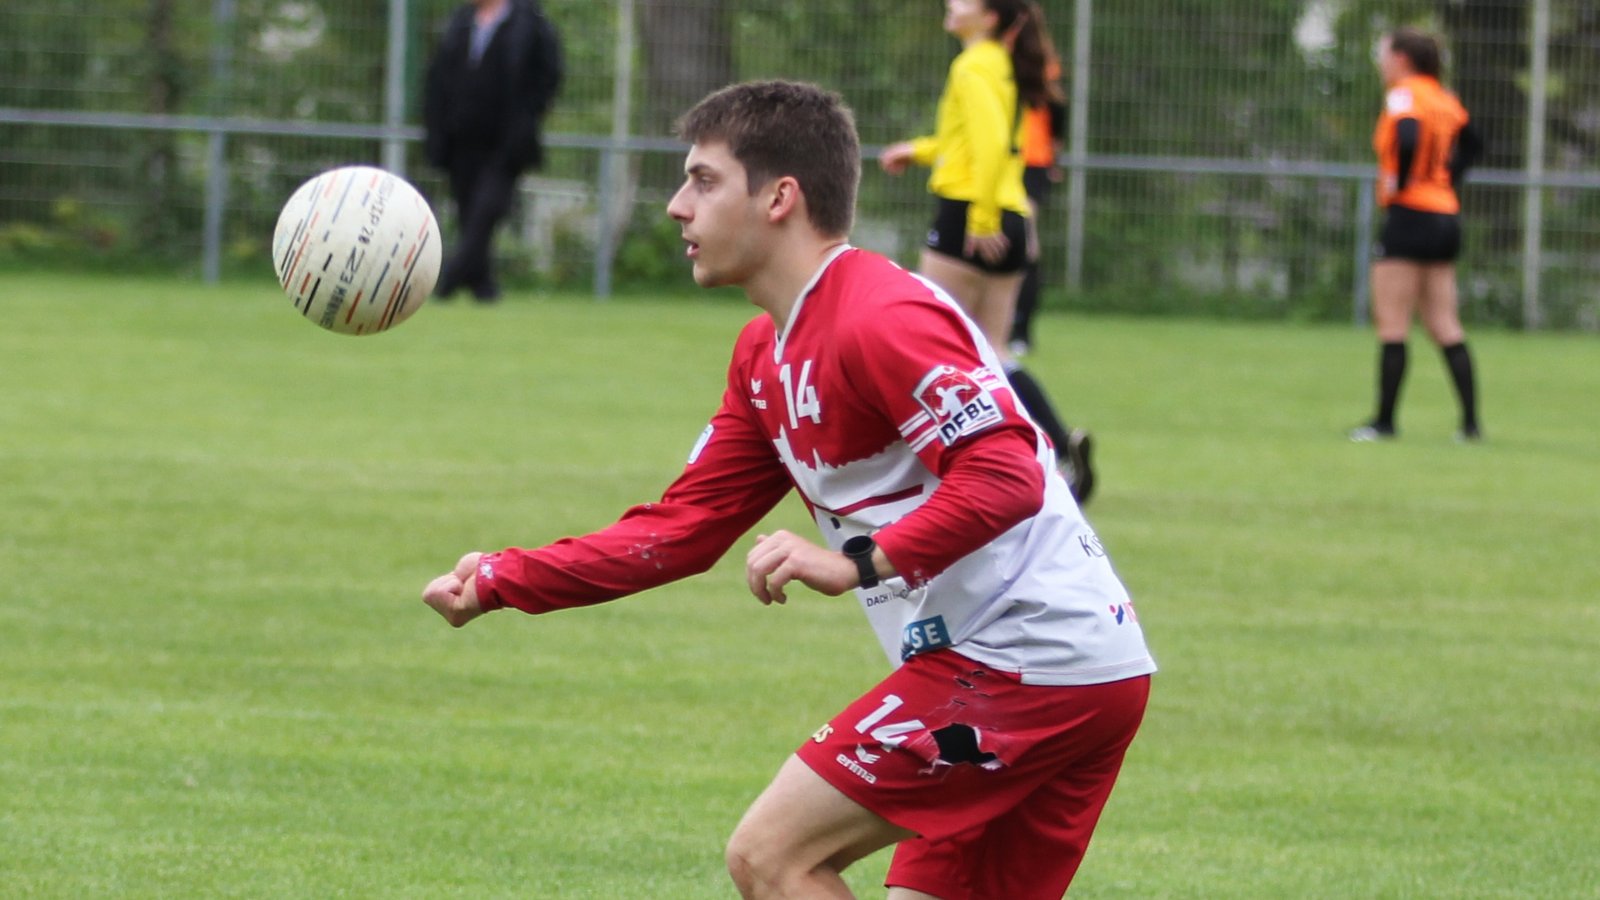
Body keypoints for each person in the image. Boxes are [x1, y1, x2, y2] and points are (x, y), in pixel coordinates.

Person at [421, 80, 1155, 900]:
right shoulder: (764, 355)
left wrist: (861, 562)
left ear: (780, 198)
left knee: (773, 856)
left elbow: (1010, 470)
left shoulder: (881, 314)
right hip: (1062, 667)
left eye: (702, 181)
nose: (676, 207)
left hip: (1027, 659)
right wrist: (501, 579)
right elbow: (684, 528)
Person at [880, 0, 1095, 505]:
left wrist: (979, 219)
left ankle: (930, 464)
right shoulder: (1000, 62)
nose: (950, 4)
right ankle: (1058, 446)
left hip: (971, 217)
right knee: (991, 355)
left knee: (918, 341)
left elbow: (992, 143)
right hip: (1012, 216)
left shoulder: (974, 63)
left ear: (990, 15)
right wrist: (919, 150)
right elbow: (973, 142)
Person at [1350, 26, 1484, 442]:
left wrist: (1403, 183)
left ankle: (1384, 422)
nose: (1381, 62)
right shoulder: (1445, 98)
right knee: (1445, 324)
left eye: (1384, 53)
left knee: (1392, 324)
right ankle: (1470, 426)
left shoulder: (1404, 93)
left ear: (1402, 58)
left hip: (1409, 215)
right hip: (1445, 214)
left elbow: (1407, 136)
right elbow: (1474, 143)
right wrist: (1446, 180)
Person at [422, 0, 562, 302]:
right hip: (460, 139)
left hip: (506, 143)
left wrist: (528, 116)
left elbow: (548, 75)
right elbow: (438, 77)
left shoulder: (531, 22)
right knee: (467, 211)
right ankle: (483, 287)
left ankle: (449, 279)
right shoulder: (459, 22)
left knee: (486, 211)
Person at [1006, 44, 1066, 361]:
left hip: (1032, 164)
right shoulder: (988, 55)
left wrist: (1053, 156)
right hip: (1002, 160)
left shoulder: (1037, 57)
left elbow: (1057, 111)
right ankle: (999, 325)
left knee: (1026, 239)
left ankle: (1021, 331)